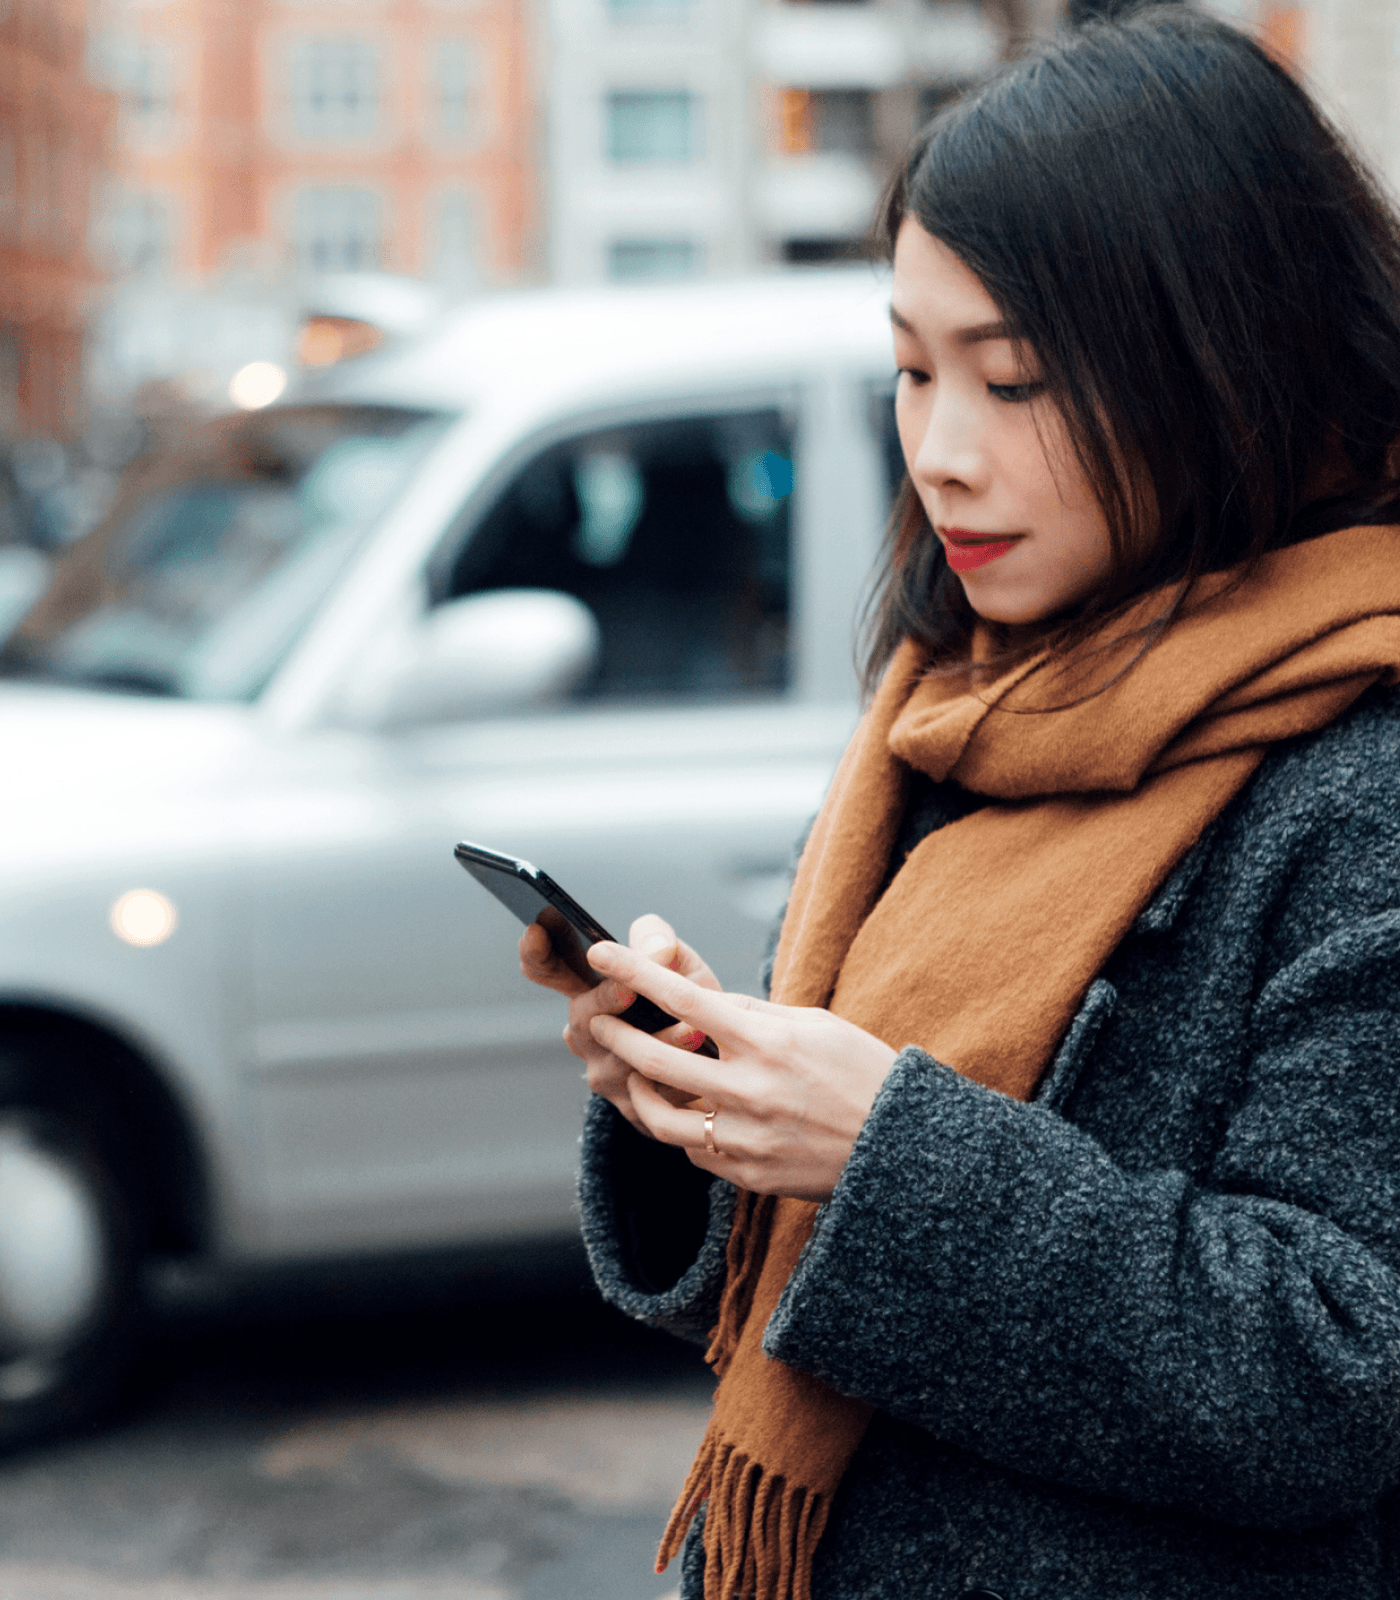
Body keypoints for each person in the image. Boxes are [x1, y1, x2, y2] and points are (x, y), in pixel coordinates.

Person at [520, 7, 1400, 1597]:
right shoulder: (952, 712)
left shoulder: (1365, 774)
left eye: (1017, 381)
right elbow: (803, 1279)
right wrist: (706, 1105)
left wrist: (882, 1154)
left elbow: (1338, 1374)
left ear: (1227, 365)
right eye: (912, 371)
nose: (937, 454)